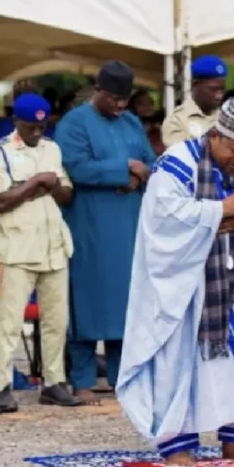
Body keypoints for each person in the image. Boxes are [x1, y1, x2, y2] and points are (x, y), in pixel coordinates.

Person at [118, 98, 234, 464]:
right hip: (189, 286)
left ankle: (233, 440)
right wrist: (221, 212)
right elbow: (162, 216)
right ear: (215, 135)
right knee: (182, 363)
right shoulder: (177, 162)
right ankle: (177, 445)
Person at [54, 60, 156, 405]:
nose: (121, 105)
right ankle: (82, 380)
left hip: (128, 225)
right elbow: (75, 167)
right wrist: (123, 169)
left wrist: (140, 173)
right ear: (98, 91)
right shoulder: (74, 123)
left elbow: (150, 161)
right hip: (88, 225)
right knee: (87, 301)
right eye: (114, 98)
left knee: (125, 303)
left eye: (125, 99)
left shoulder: (130, 122)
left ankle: (119, 378)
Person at [0, 93, 81, 412]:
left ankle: (54, 381)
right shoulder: (0, 152)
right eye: (31, 127)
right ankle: (0, 385)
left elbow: (67, 195)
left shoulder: (52, 149)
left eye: (43, 126)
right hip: (18, 247)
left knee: (57, 319)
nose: (38, 133)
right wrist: (36, 183)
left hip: (53, 243)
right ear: (17, 123)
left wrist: (51, 186)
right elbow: (1, 201)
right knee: (10, 321)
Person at [161, 55, 226, 147]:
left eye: (222, 89)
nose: (219, 95)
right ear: (196, 85)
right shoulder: (177, 120)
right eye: (213, 89)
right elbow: (180, 157)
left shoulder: (226, 117)